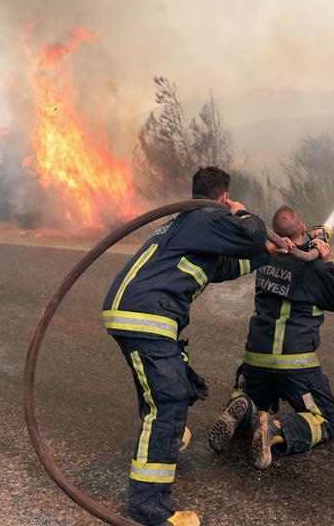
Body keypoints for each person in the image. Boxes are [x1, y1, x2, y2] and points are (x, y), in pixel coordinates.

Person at [104, 166, 269, 526]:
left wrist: (270, 252)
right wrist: (241, 212)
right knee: (167, 402)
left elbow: (226, 264)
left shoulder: (190, 222)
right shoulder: (208, 215)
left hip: (137, 312)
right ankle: (150, 510)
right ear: (222, 196)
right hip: (145, 315)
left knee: (174, 386)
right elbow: (251, 236)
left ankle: (169, 437)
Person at [207, 205, 334, 470]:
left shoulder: (265, 259)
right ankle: (276, 427)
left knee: (258, 397)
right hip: (294, 366)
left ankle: (245, 405)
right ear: (303, 231)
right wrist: (325, 261)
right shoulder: (313, 267)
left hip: (255, 361)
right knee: (326, 418)